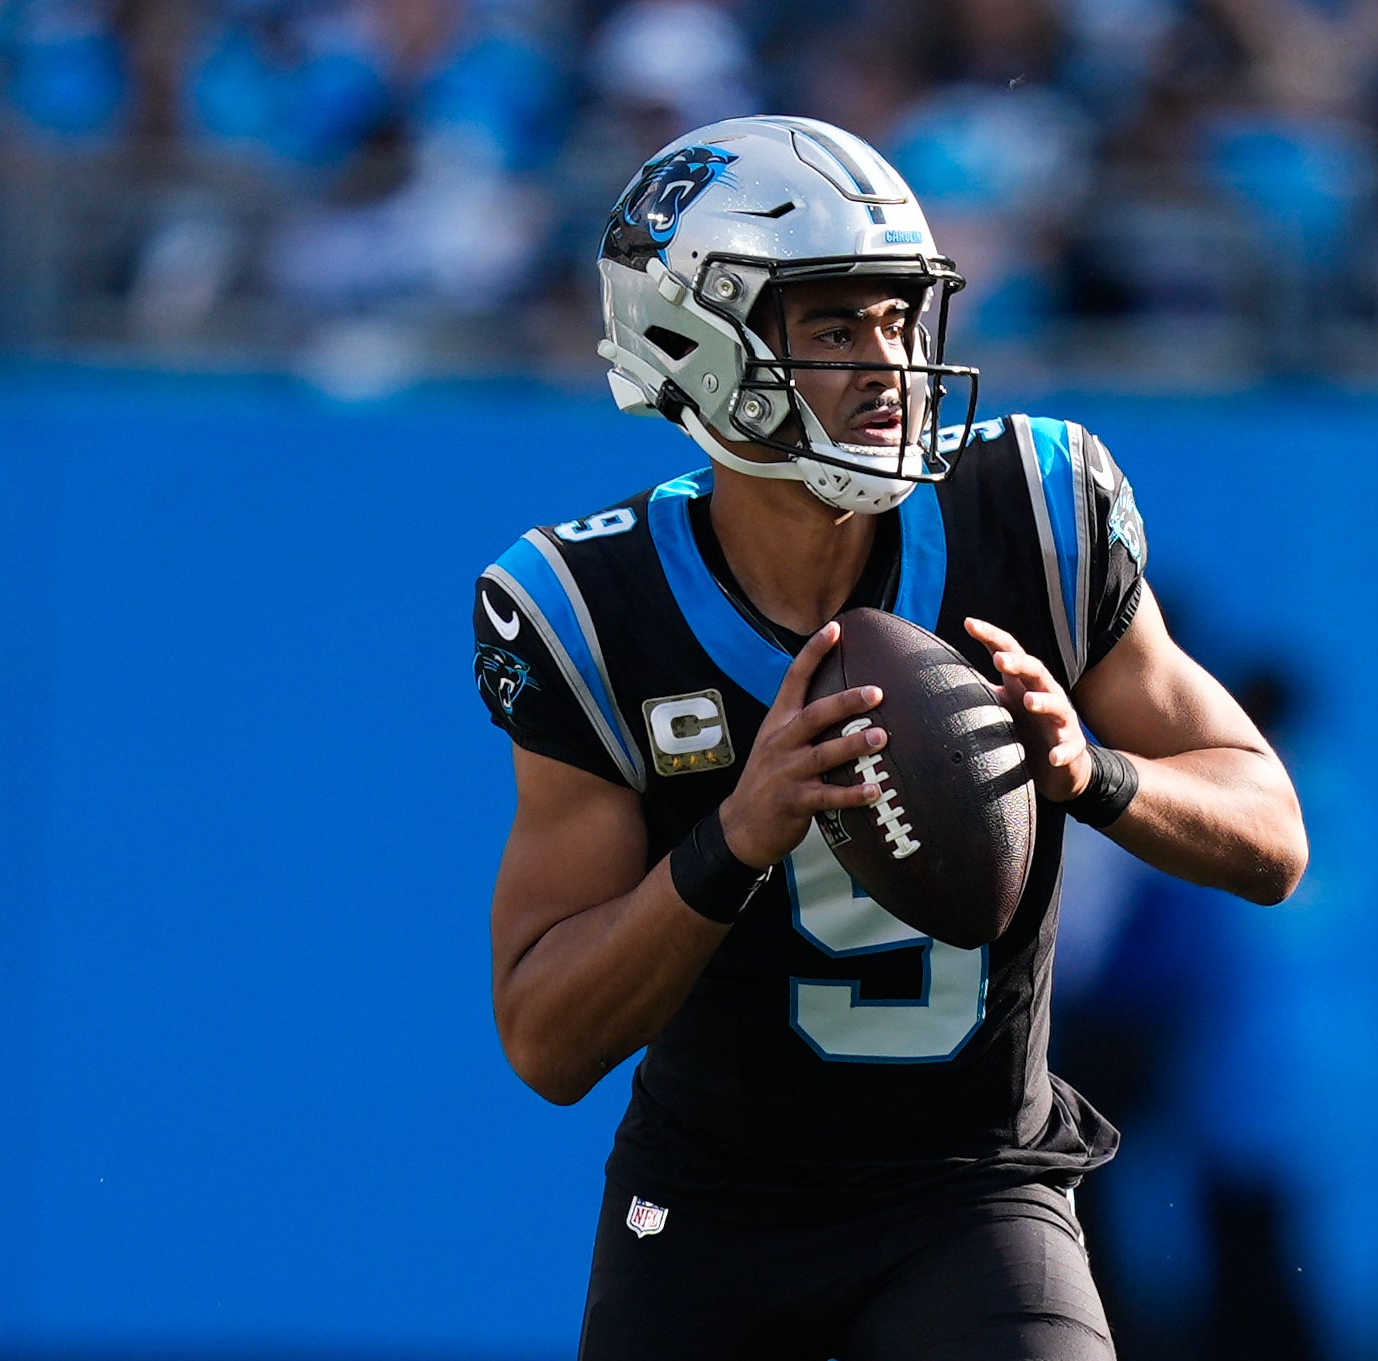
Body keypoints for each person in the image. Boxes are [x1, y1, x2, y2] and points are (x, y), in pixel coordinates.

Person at [472, 115, 1308, 1361]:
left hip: (974, 1192)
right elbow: (545, 1037)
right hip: (709, 1222)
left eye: (900, 317)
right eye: (832, 323)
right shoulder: (592, 609)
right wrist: (731, 840)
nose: (888, 362)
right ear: (689, 343)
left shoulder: (1031, 510)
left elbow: (1271, 833)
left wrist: (1100, 774)